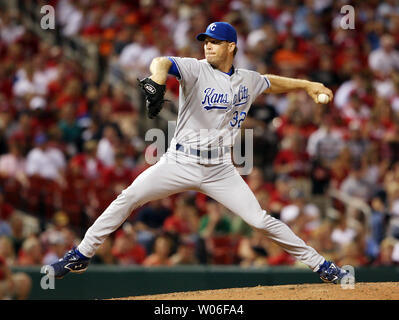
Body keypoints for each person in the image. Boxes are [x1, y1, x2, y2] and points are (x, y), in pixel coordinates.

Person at [46, 22, 349, 284]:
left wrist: (307, 85)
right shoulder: (196, 69)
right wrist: (157, 81)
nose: (208, 47)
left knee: (259, 220)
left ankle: (321, 265)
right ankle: (81, 254)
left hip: (220, 168)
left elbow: (271, 83)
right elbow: (162, 61)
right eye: (205, 41)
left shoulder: (247, 79)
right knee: (128, 197)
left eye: (215, 43)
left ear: (231, 46)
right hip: (179, 161)